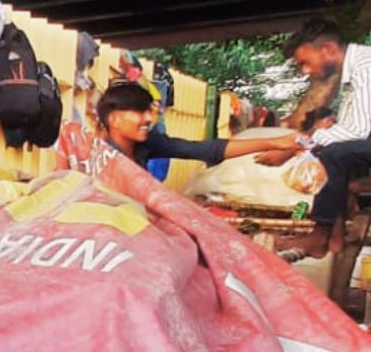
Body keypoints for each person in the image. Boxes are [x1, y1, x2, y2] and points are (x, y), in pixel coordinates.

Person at [259, 18, 371, 256]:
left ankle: (320, 235)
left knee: (333, 152)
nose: (305, 71)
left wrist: (293, 148)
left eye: (305, 63)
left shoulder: (366, 65)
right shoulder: (353, 71)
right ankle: (335, 234)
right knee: (335, 152)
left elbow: (358, 131)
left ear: (328, 50)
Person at [94, 81, 297, 169]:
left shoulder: (149, 144)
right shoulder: (95, 157)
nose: (148, 118)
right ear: (114, 119)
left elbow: (205, 150)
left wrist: (275, 143)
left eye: (149, 111)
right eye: (139, 111)